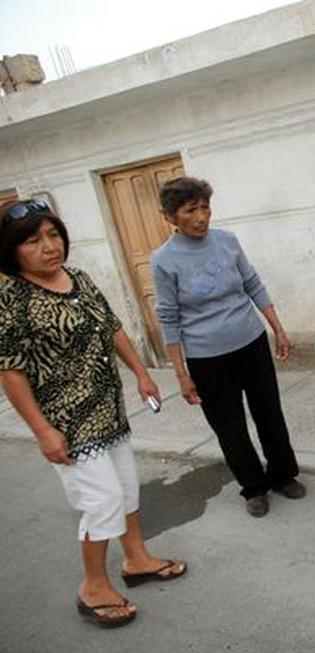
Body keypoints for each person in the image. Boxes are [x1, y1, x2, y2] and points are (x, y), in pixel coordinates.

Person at [0, 199, 186, 628]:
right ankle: (93, 586)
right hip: (67, 422)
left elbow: (111, 326)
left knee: (125, 489)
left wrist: (141, 372)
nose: (48, 247)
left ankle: (137, 558)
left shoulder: (77, 278)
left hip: (108, 409)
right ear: (12, 250)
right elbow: (10, 372)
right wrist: (43, 431)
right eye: (33, 240)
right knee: (100, 502)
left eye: (53, 235)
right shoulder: (12, 298)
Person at [152, 177, 304, 518]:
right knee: (229, 426)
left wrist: (277, 328)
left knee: (269, 412)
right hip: (206, 358)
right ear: (171, 216)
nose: (201, 216)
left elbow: (252, 283)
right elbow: (168, 316)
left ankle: (283, 474)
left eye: (205, 207)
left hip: (250, 342)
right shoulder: (163, 260)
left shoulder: (227, 241)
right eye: (191, 210)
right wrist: (181, 373)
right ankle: (253, 486)